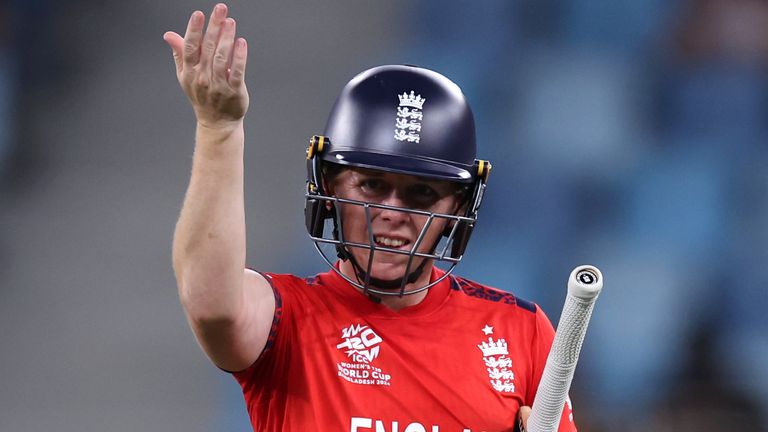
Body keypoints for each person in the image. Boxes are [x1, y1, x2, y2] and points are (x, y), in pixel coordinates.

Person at [164, 4, 576, 431]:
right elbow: (211, 303)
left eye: (422, 194)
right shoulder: (286, 319)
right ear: (329, 190)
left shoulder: (520, 330)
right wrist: (219, 130)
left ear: (457, 207)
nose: (392, 213)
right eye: (372, 186)